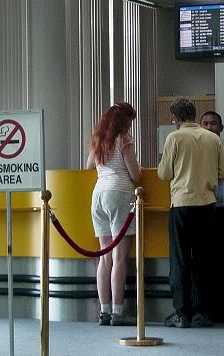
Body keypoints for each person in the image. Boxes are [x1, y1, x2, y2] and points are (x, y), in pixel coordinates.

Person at [158, 98, 224, 328]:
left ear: (176, 119)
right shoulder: (212, 138)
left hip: (181, 204)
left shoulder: (174, 138)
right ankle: (203, 312)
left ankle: (182, 313)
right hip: (208, 204)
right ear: (194, 114)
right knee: (204, 260)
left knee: (180, 261)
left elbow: (164, 173)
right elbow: (222, 172)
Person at [86, 102, 142, 326]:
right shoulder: (124, 141)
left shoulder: (98, 141)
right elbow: (136, 175)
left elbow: (88, 167)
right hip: (119, 194)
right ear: (123, 121)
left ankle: (104, 311)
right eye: (129, 121)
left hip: (97, 196)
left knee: (104, 256)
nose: (130, 126)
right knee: (119, 257)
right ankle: (118, 312)